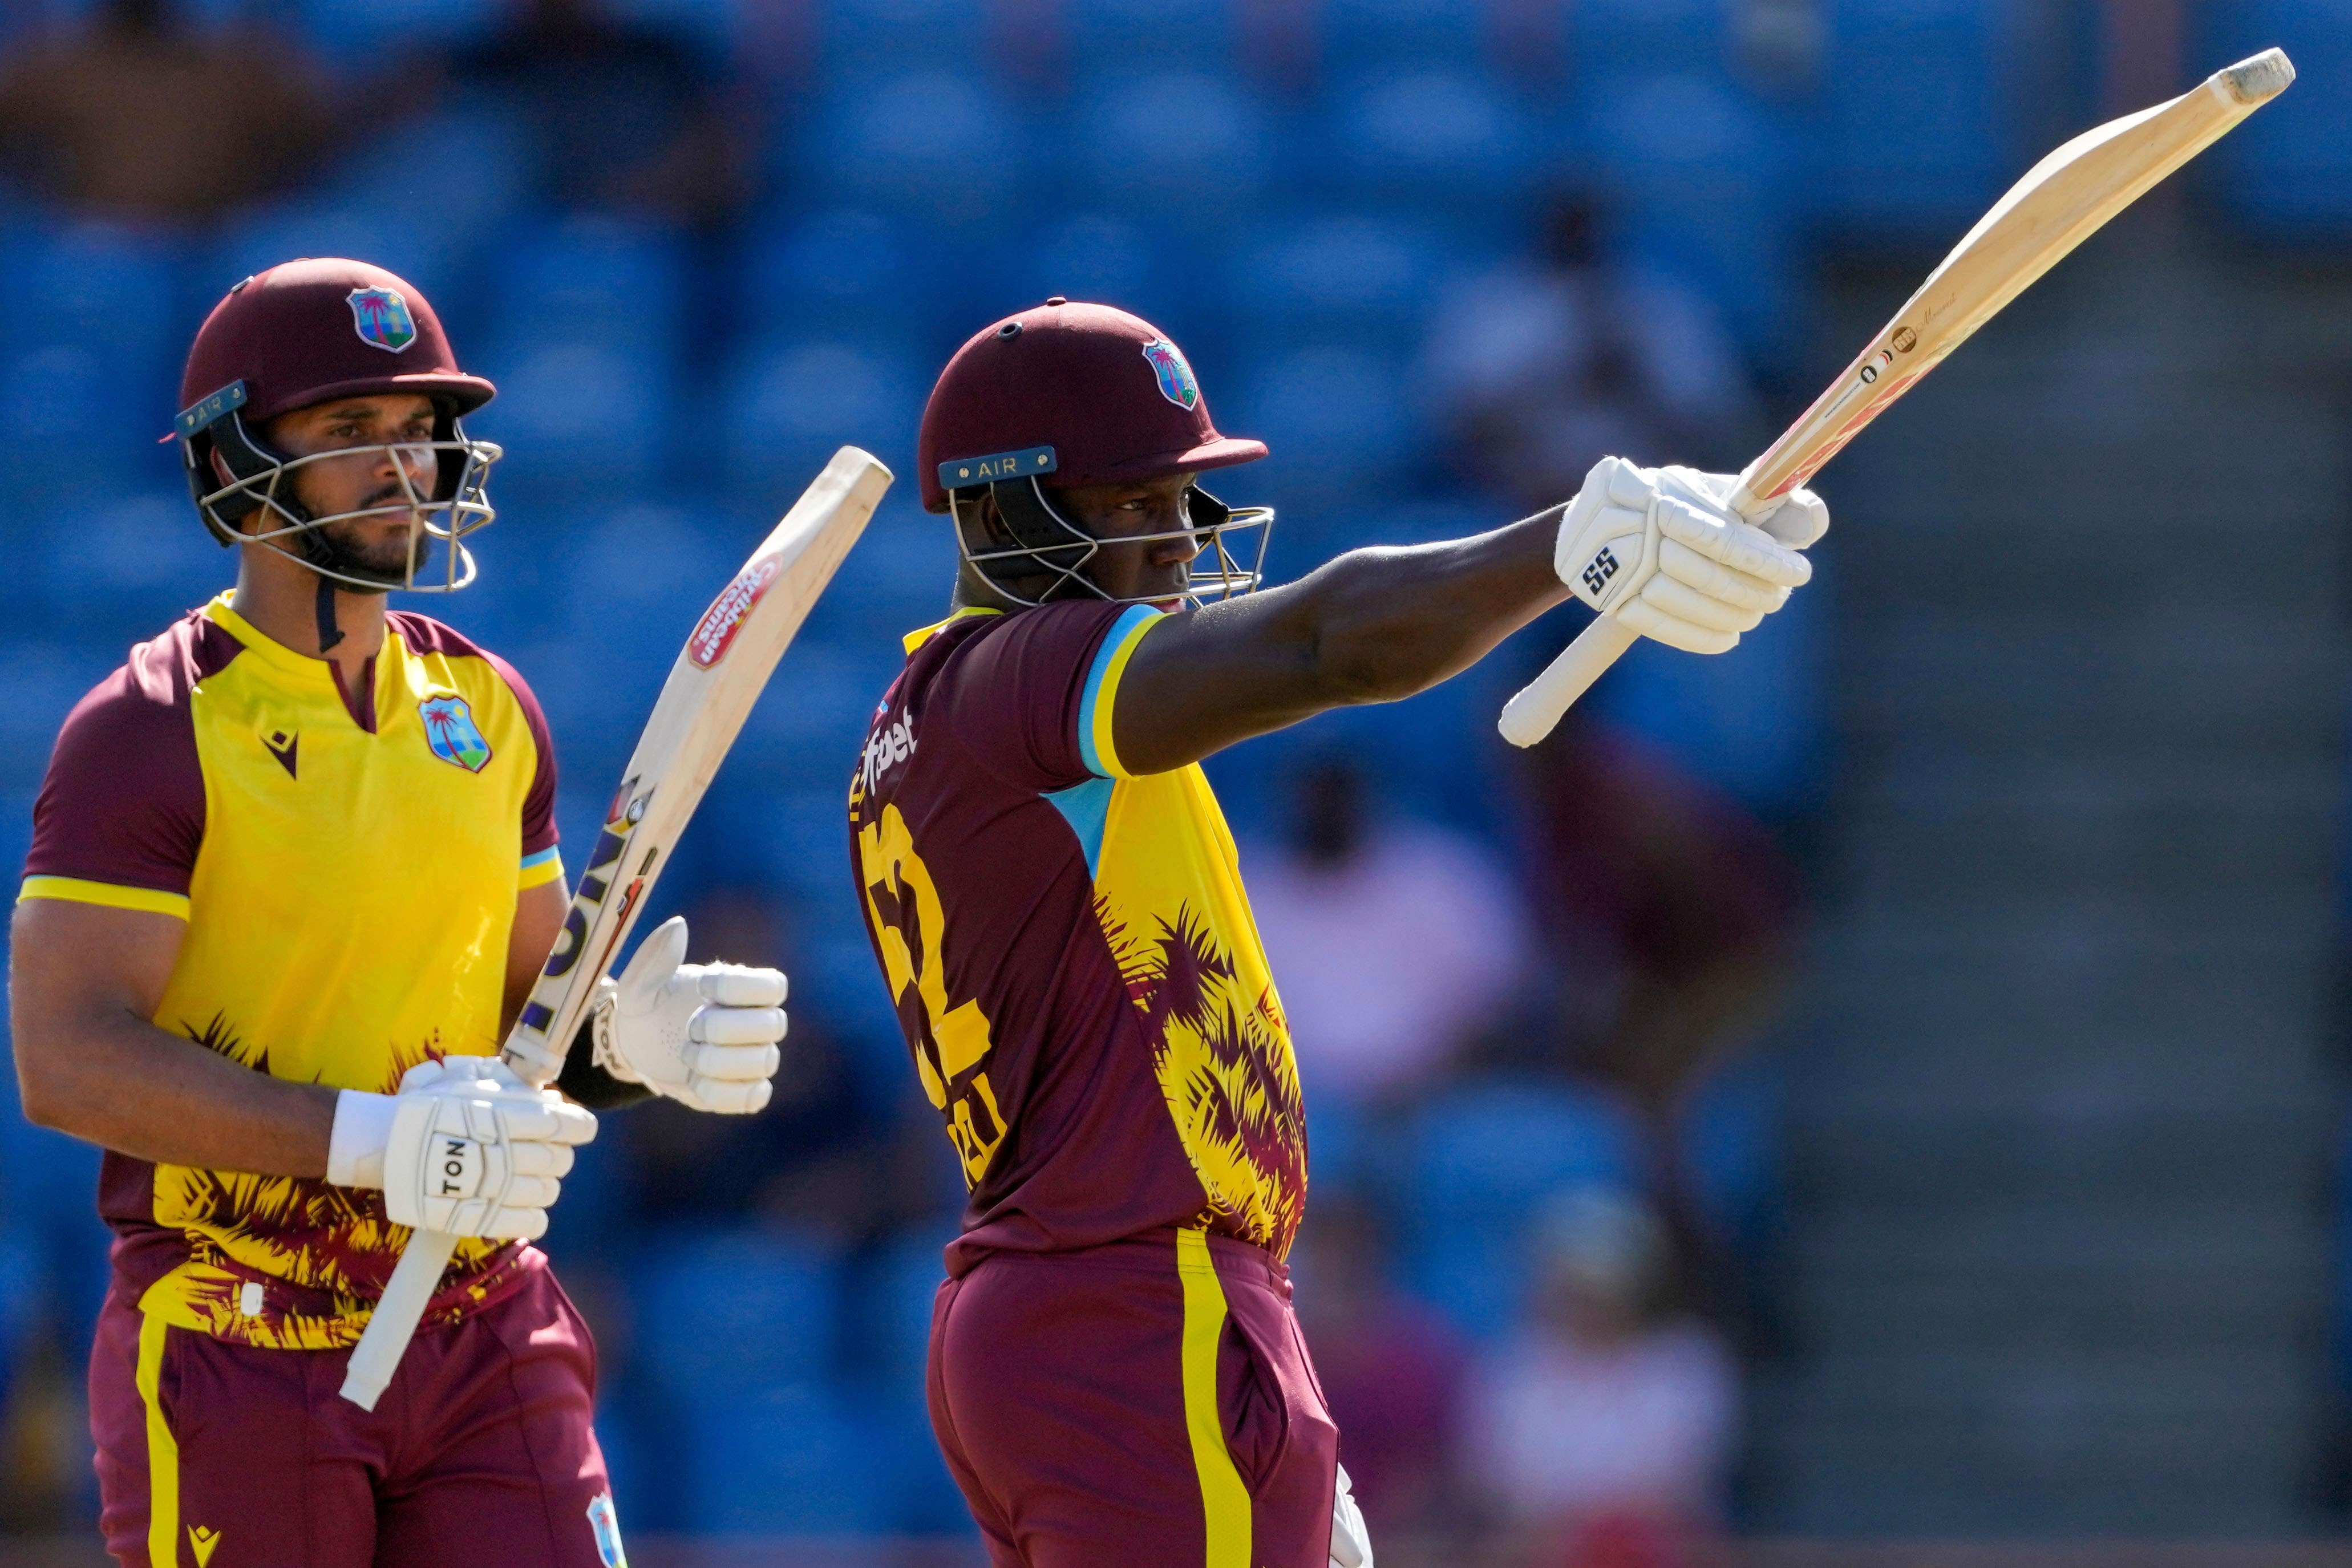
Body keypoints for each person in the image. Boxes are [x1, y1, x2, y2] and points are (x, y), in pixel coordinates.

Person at [844, 297, 1829, 1567]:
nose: (1175, 545)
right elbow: (1325, 642)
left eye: (1180, 504)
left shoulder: (941, 720)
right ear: (997, 511)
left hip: (1104, 1306)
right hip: (1138, 1305)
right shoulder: (1018, 676)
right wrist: (1575, 540)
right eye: (1135, 505)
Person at [8, 258, 790, 1568]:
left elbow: (527, 1026)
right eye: (350, 431)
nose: (405, 465)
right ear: (235, 463)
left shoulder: (490, 710)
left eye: (418, 429)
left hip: (479, 1312)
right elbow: (68, 1056)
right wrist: (369, 1139)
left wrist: (632, 1045)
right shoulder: (149, 728)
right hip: (236, 1329)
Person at [1462, 1190, 1739, 1566]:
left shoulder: (1684, 1362)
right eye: (1572, 1284)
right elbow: (1498, 1478)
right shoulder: (1514, 1363)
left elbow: (1671, 1484)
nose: (1585, 1300)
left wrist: (1591, 1529)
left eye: (1598, 1286)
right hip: (1536, 1551)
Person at [1247, 753, 1531, 1108]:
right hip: (1282, 1100)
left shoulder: (1441, 876)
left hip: (1436, 1096)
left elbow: (1498, 1003)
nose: (1328, 808)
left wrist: (1431, 1079)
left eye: (1339, 793)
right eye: (1316, 795)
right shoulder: (1247, 891)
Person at [0, 0, 332, 225]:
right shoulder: (60, 71)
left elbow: (312, 135)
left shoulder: (229, 71)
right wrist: (47, 196)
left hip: (211, 243)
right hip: (93, 249)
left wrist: (247, 196)